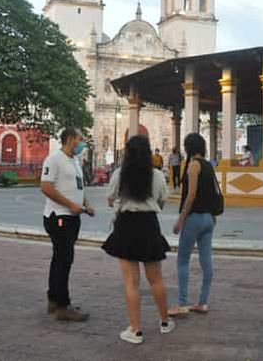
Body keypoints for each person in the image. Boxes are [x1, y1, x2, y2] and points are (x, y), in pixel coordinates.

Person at [101, 135, 174, 344]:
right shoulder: (157, 175)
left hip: (126, 225)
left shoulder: (119, 174)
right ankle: (165, 322)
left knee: (131, 282)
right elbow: (162, 200)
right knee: (156, 279)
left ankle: (135, 330)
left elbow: (110, 198)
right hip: (149, 225)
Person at [40, 128, 95, 322]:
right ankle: (63, 306)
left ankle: (54, 298)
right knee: (64, 260)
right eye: (80, 139)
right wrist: (70, 204)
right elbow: (45, 187)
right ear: (70, 139)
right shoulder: (54, 159)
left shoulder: (75, 161)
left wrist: (85, 204)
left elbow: (78, 186)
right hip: (59, 216)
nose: (82, 143)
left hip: (72, 216)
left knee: (61, 259)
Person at [169, 133, 216, 317]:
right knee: (206, 260)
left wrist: (181, 219)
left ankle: (182, 303)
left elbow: (191, 194)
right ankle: (203, 302)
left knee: (182, 260)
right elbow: (212, 192)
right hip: (208, 218)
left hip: (193, 218)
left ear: (188, 147)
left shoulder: (193, 165)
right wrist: (213, 215)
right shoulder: (209, 166)